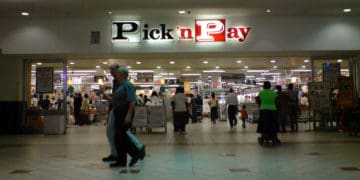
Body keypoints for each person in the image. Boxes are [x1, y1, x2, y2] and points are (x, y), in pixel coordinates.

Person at [101, 65, 139, 167]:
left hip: (125, 112)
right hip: (119, 112)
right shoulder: (121, 86)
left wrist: (129, 115)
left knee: (120, 136)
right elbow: (114, 101)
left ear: (122, 74)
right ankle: (124, 159)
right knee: (119, 137)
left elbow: (132, 101)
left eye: (117, 73)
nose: (115, 75)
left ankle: (133, 154)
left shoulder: (128, 85)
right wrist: (105, 96)